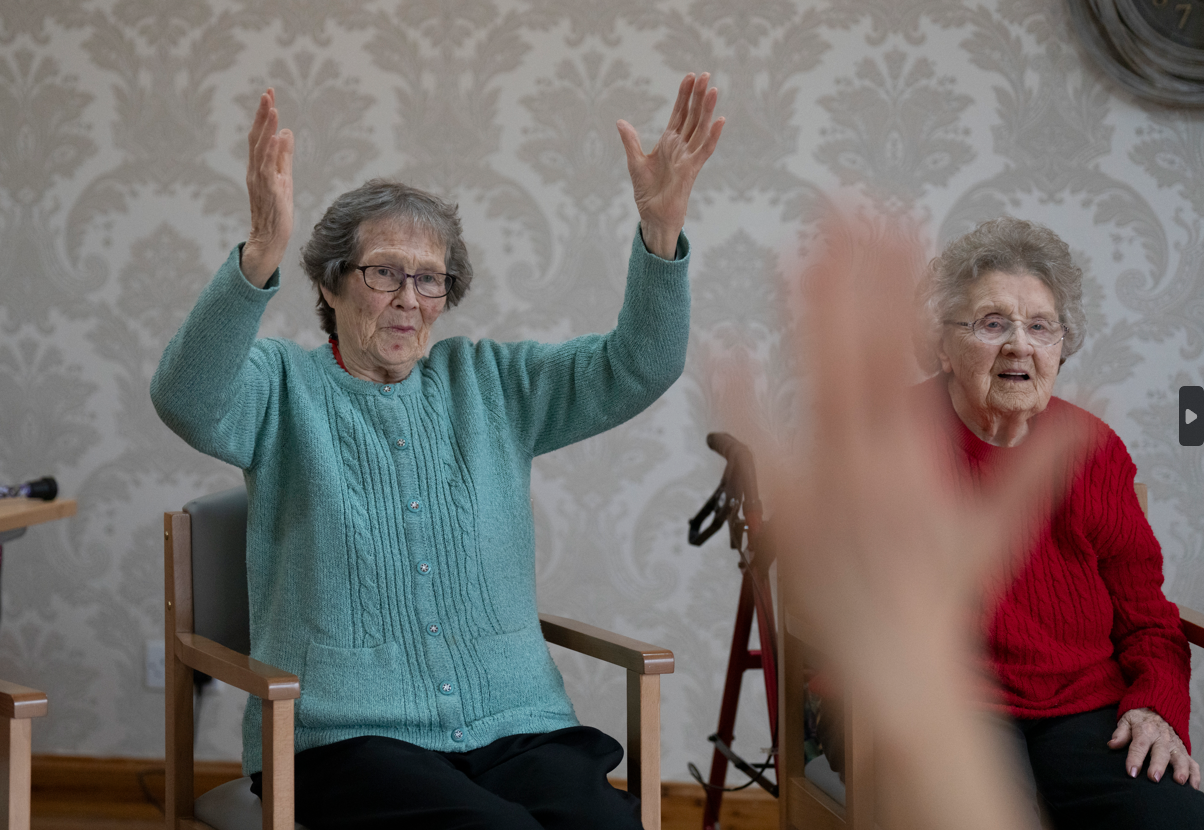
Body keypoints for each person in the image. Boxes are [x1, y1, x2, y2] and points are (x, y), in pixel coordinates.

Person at [151, 76, 723, 830]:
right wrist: (259, 254)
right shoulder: (279, 387)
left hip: (516, 728)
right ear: (333, 281)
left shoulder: (491, 383)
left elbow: (637, 366)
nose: (410, 298)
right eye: (385, 272)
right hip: (344, 740)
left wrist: (659, 237)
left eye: (430, 279)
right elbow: (185, 396)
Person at [729, 212, 1202, 830]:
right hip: (936, 701)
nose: (1020, 345)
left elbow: (1150, 620)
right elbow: (844, 607)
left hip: (1084, 710)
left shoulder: (1094, 450)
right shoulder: (889, 448)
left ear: (1063, 345)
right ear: (943, 345)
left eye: (1041, 326)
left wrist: (1156, 706)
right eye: (992, 323)